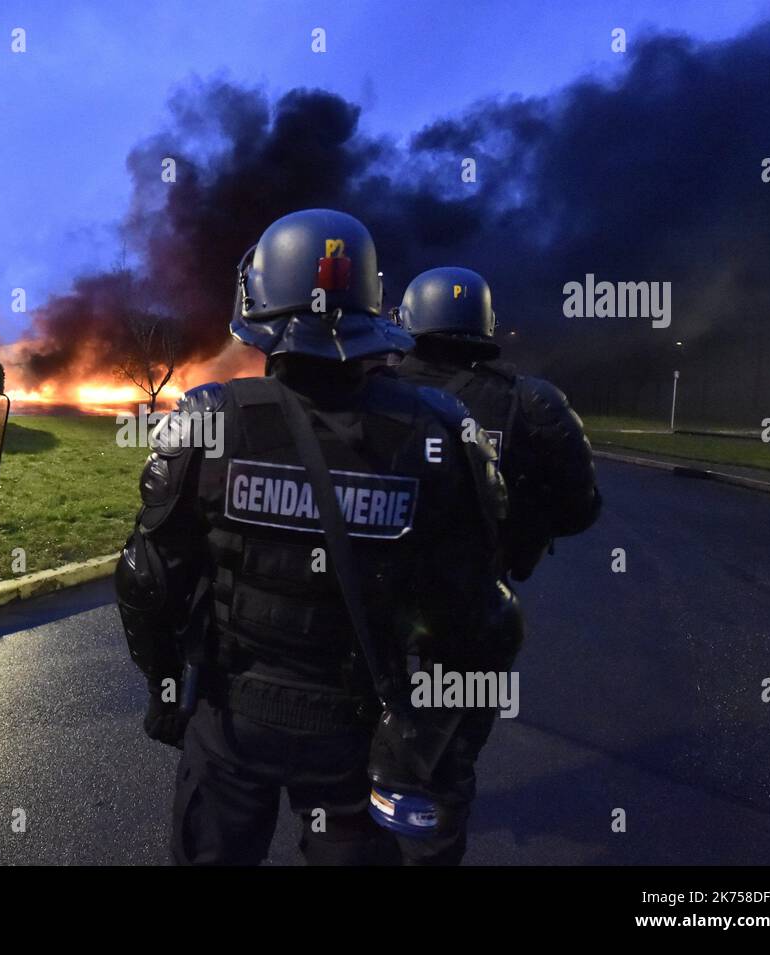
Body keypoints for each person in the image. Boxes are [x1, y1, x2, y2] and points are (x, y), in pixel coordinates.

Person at [115, 209, 512, 865]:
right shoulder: (440, 430)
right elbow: (481, 618)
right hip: (357, 727)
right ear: (374, 304)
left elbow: (147, 579)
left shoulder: (211, 419)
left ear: (259, 301)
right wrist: (434, 744)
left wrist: (165, 691)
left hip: (231, 719)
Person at [393, 266, 600, 582]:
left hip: (376, 596)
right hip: (477, 597)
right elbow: (578, 509)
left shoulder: (372, 390)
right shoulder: (530, 400)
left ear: (406, 319)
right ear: (486, 322)